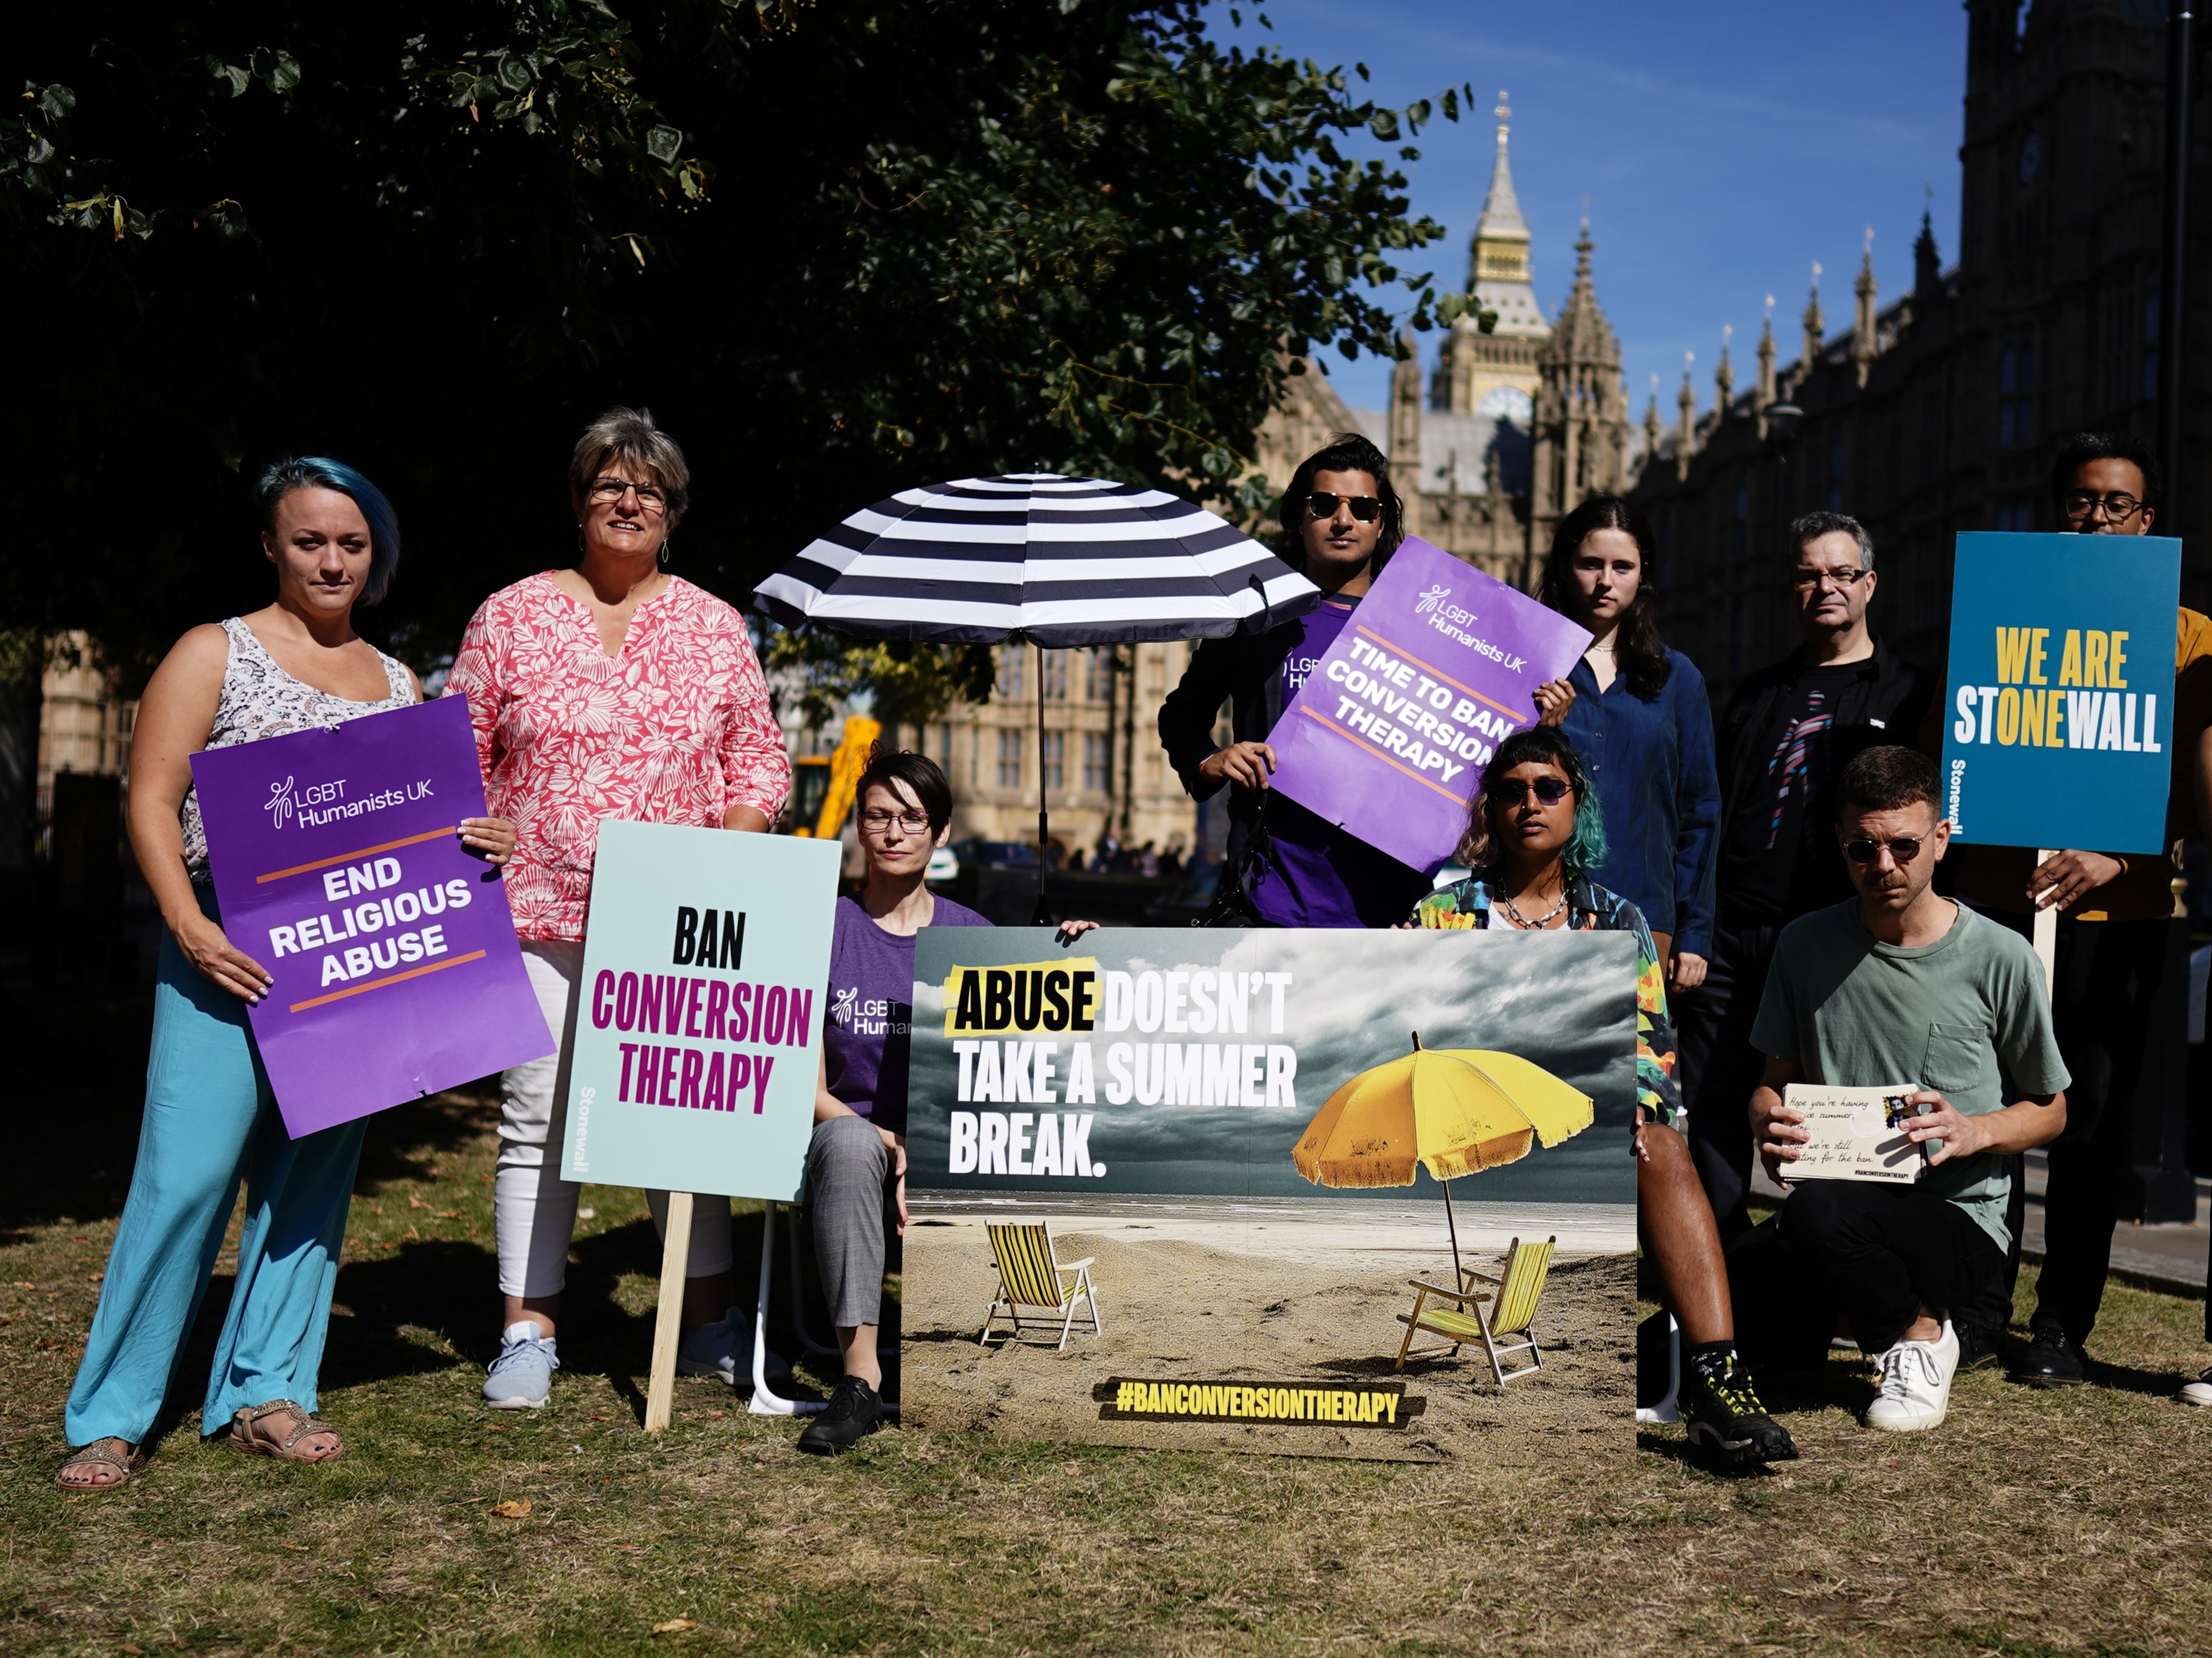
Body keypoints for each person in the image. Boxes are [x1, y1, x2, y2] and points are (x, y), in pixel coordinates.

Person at [57, 458, 516, 1490]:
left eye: (351, 543)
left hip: (352, 961)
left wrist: (471, 837)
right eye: (309, 540)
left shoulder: (401, 683)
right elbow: (147, 798)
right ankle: (114, 1414)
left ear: (376, 553)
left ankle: (269, 1390)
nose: (331, 560)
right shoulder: (211, 651)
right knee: (184, 1181)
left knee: (311, 1185)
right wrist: (186, 926)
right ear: (271, 544)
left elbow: (416, 829)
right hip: (222, 947)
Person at [446, 407, 792, 1410]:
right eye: (608, 482)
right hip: (533, 907)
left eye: (647, 487)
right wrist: (475, 826)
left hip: (674, 919)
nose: (627, 499)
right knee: (537, 1117)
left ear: (672, 512)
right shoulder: (507, 616)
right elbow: (453, 756)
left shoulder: (715, 626)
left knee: (679, 1121)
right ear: (578, 499)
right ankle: (527, 1331)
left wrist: (735, 842)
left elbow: (758, 758)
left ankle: (709, 1324)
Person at [1415, 728, 1794, 1467]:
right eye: (1511, 789)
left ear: (1575, 803)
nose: (1530, 802)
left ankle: (1717, 1380)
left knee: (1659, 1135)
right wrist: (1403, 973)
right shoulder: (1440, 915)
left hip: (1584, 1126)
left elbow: (1653, 1053)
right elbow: (1409, 1044)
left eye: (1548, 788)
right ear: (1489, 807)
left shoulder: (1617, 921)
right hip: (1472, 1130)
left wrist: (1633, 1105)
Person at [1941, 432, 2212, 1390]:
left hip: (2122, 921)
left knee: (2090, 1130)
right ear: (2055, 512)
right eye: (2081, 502)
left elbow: (2195, 790)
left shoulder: (2189, 639)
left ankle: (2060, 1322)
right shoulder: (1999, 612)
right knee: (1991, 1116)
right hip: (2002, 916)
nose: (2098, 519)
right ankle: (1974, 1308)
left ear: (2149, 521)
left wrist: (2120, 852)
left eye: (2118, 504)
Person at [1750, 747, 2068, 1432]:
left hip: (1958, 1219)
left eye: (1904, 845)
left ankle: (1921, 1334)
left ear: (1941, 839)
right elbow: (1770, 1086)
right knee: (1686, 1327)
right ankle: (1832, 1316)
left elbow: (2052, 1109)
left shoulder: (2001, 954)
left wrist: (1976, 1129)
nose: (1884, 865)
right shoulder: (1805, 945)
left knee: (1816, 1219)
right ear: (1841, 842)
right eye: (1864, 848)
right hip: (1841, 1202)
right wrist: (1770, 1125)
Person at [800, 748, 1094, 1454]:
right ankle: (860, 1379)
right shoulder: (824, 928)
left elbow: (1027, 1061)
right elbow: (806, 1086)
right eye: (878, 816)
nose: (894, 832)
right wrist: (887, 1142)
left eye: (912, 818)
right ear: (859, 826)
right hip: (852, 1136)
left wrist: (1077, 955)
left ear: (942, 831)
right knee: (847, 1142)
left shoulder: (974, 937)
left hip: (953, 1140)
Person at [1160, 433, 1569, 927]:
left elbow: (1479, 756)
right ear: (1298, 516)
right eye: (1325, 503)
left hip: (1390, 913)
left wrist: (1538, 728)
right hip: (1267, 900)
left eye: (1363, 508)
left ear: (1383, 524)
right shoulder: (1259, 622)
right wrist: (1211, 760)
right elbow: (1182, 715)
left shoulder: (1429, 626)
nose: (1343, 519)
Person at [1681, 512, 1933, 1239]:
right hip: (1735, 934)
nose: (1826, 586)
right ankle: (1722, 1278)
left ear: (1870, 584)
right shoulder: (1757, 692)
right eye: (1809, 574)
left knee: (1835, 1111)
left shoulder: (1911, 693)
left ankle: (1829, 1269)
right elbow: (1711, 809)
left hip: (1836, 936)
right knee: (1716, 1101)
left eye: (1842, 573)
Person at [1539, 495, 1720, 998]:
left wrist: (1695, 933)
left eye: (1622, 567)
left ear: (1644, 576)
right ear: (1563, 567)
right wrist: (1537, 736)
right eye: (1590, 564)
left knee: (1633, 1074)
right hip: (1537, 915)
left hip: (1643, 919)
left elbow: (1700, 810)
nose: (1605, 581)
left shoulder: (1678, 678)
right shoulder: (1526, 670)